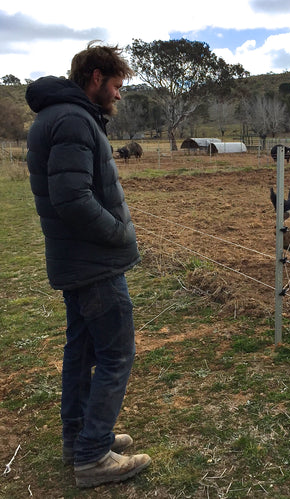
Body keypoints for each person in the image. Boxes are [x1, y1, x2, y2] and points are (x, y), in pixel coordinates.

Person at [25, 41, 151, 488]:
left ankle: (78, 438)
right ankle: (94, 455)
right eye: (117, 85)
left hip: (78, 261)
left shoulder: (59, 116)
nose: (119, 95)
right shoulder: (74, 120)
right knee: (116, 353)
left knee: (81, 352)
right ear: (95, 79)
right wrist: (120, 234)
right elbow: (73, 199)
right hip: (94, 264)